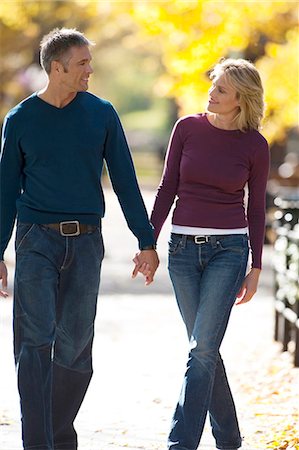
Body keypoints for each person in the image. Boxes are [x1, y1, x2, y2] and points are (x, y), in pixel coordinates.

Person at [0, 28, 159, 450]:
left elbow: (125, 181)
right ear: (57, 67)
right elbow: (4, 191)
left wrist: (146, 241)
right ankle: (39, 442)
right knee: (34, 342)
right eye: (83, 63)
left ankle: (56, 434)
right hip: (35, 241)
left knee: (74, 347)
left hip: (87, 242)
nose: (91, 70)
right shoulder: (20, 120)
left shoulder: (102, 114)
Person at [145, 58, 270, 449]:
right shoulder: (187, 128)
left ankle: (180, 443)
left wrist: (256, 266)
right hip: (182, 249)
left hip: (229, 251)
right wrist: (147, 242)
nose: (211, 94)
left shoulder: (255, 145)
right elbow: (167, 188)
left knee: (201, 348)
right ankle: (229, 438)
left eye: (221, 90)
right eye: (213, 86)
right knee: (205, 349)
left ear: (240, 100)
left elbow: (257, 208)